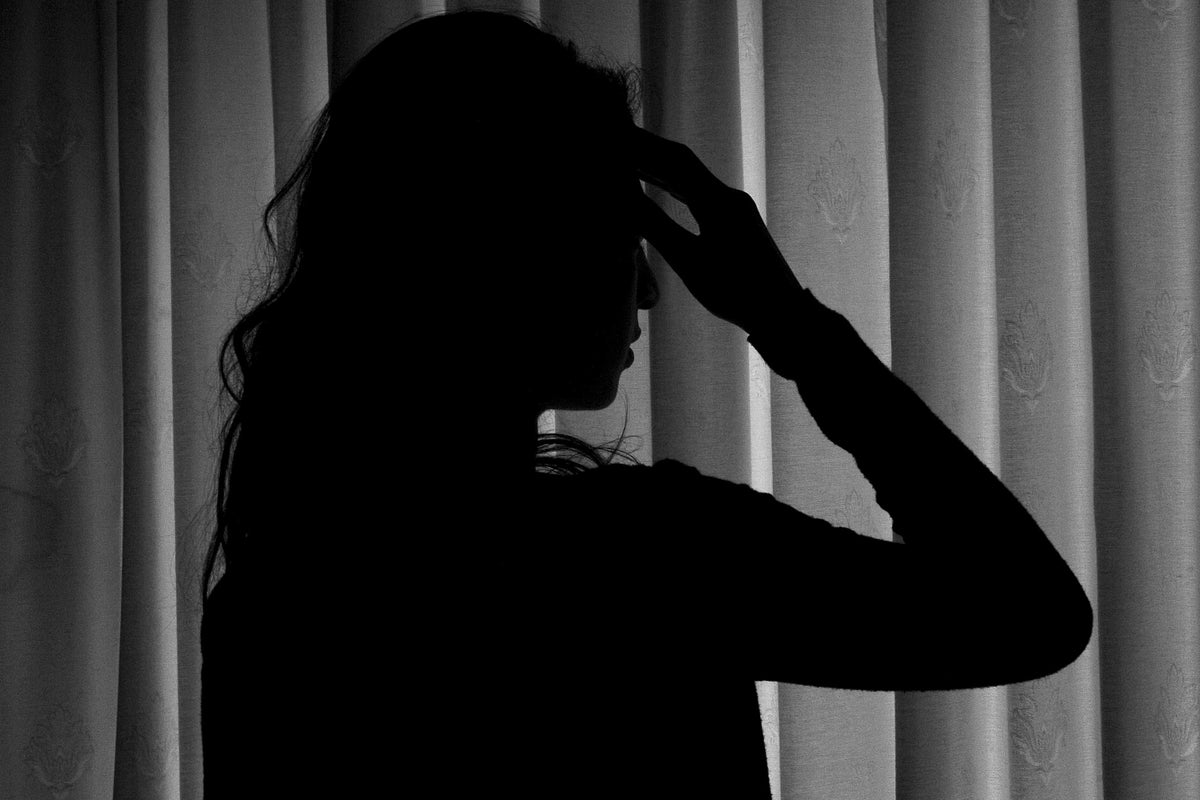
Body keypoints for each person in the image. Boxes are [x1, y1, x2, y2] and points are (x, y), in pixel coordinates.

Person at [198, 8, 1093, 798]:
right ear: (519, 251)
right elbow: (1029, 614)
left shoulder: (275, 610)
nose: (653, 291)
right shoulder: (655, 556)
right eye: (620, 236)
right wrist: (786, 319)